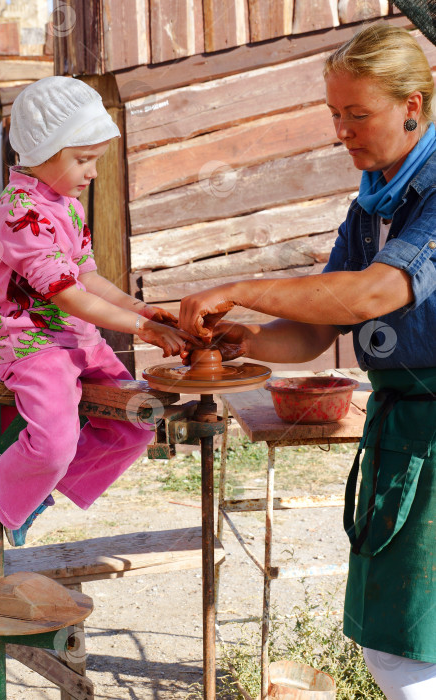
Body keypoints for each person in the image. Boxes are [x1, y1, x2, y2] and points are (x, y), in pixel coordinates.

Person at [179, 23, 436, 700]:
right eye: (333, 114)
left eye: (358, 114)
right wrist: (246, 339)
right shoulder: (372, 201)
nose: (340, 132)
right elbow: (316, 328)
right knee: (395, 642)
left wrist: (233, 286)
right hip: (402, 428)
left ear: (412, 103)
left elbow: (377, 292)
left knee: (411, 648)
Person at [0, 76, 193, 551]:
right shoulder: (20, 213)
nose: (92, 172)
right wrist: (142, 328)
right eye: (82, 159)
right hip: (33, 345)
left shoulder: (66, 207)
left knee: (135, 422)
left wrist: (137, 307)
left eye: (94, 159)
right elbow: (68, 295)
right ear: (43, 150)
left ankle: (28, 490)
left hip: (77, 341)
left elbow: (87, 276)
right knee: (53, 443)